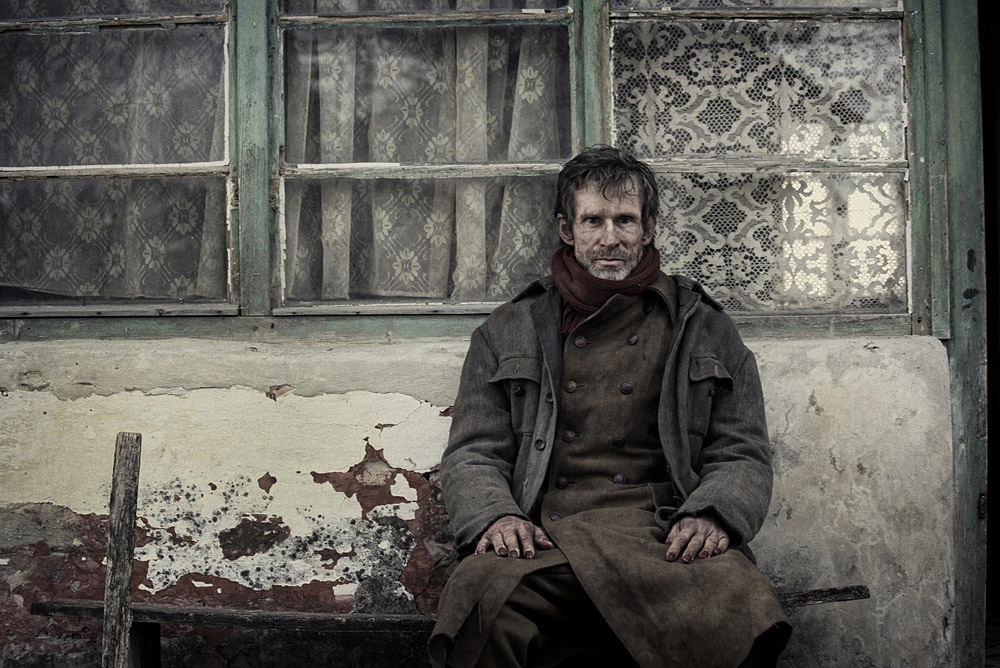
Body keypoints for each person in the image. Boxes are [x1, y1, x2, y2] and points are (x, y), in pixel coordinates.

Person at [428, 147, 791, 668]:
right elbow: (474, 452)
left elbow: (741, 449)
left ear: (649, 229)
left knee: (739, 609)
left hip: (662, 535)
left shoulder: (704, 326)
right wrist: (497, 517)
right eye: (593, 221)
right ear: (566, 229)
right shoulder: (507, 329)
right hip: (546, 537)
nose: (610, 238)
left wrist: (712, 516)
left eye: (625, 220)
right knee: (481, 601)